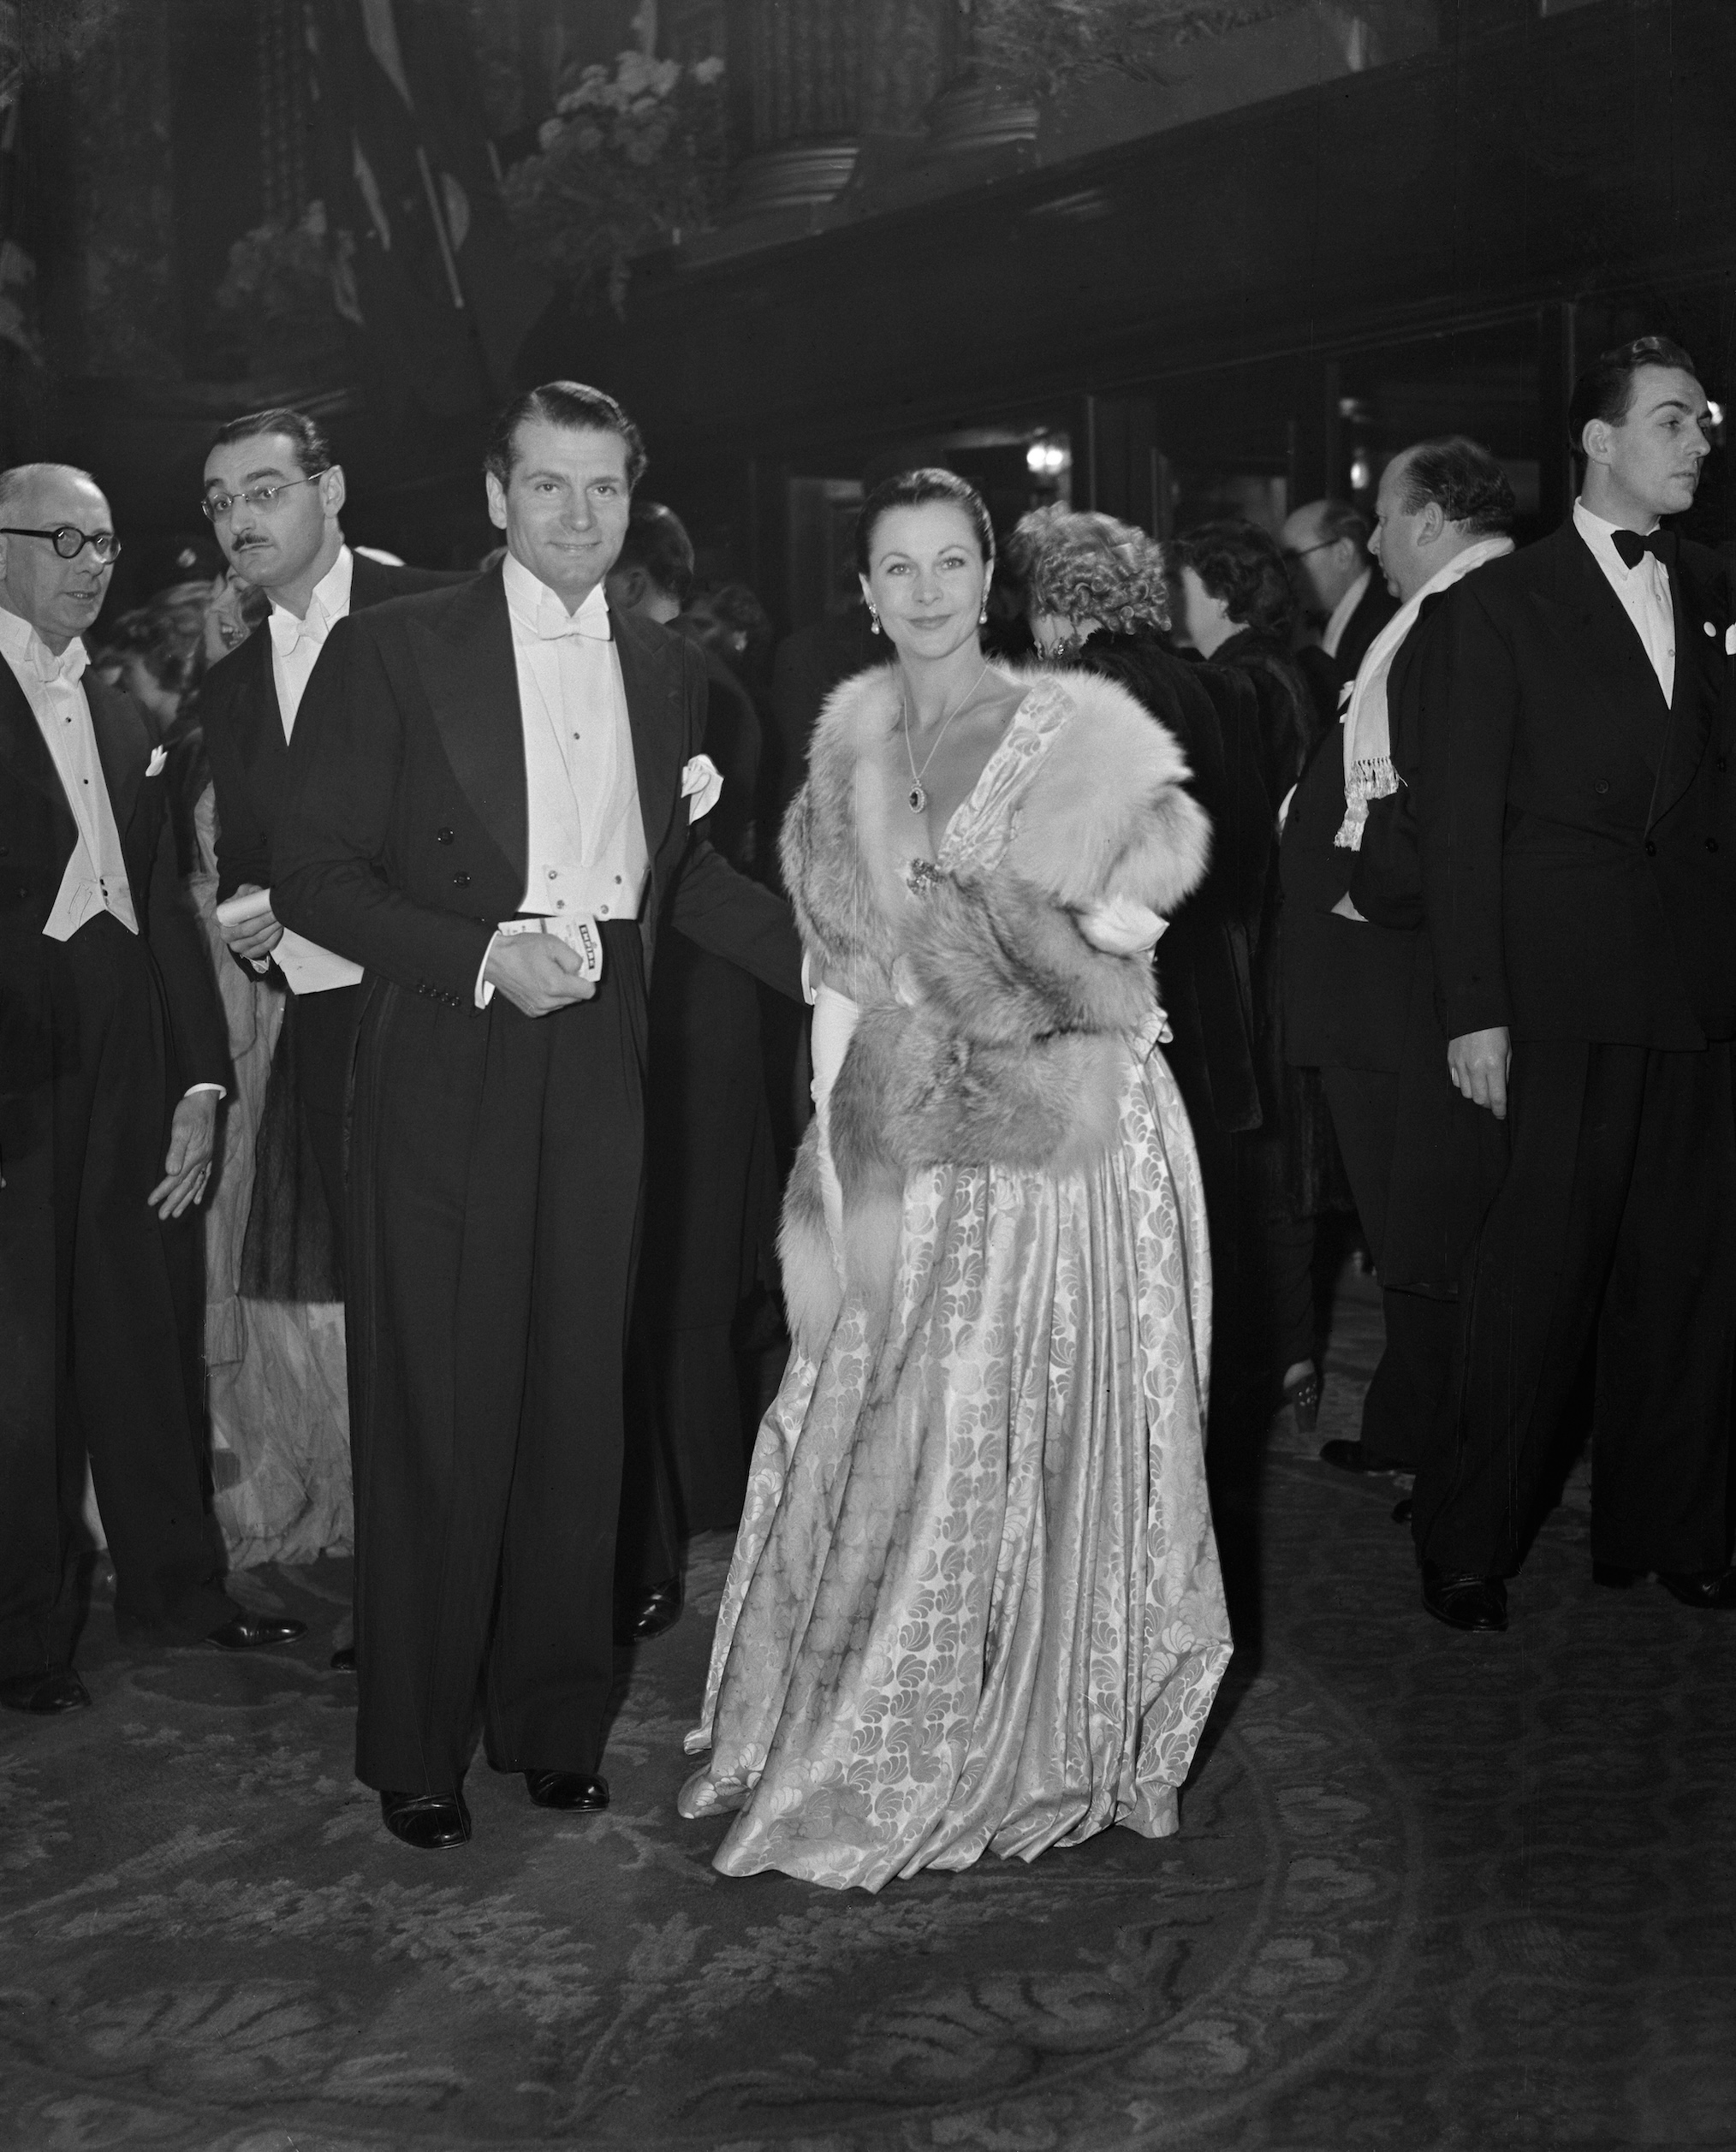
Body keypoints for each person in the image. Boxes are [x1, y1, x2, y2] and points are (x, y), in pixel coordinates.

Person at [679, 469, 1231, 1890]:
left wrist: (1068, 951)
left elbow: (1166, 849)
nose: (923, 590)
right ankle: (861, 1711)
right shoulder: (845, 748)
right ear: (861, 590)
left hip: (1053, 1136)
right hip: (897, 1117)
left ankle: (1031, 1721)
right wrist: (833, 1116)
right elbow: (835, 967)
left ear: (987, 577)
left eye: (948, 563)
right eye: (894, 567)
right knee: (877, 1405)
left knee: (1009, 1412)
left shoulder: (1064, 723)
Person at [272, 381, 805, 1851]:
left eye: (604, 489)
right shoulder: (392, 650)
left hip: (605, 1052)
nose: (579, 514)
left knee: (580, 1397)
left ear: (633, 502)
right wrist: (477, 952)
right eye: (549, 486)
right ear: (496, 498)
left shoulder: (667, 670)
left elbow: (678, 878)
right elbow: (311, 872)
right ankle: (418, 1744)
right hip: (448, 1042)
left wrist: (850, 964)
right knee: (444, 1401)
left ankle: (552, 1721)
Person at [1403, 336, 1736, 1631]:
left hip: (1700, 994)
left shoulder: (1713, 583)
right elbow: (1457, 824)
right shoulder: (1497, 605)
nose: (1698, 442)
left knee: (1694, 1274)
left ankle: (1678, 1524)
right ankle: (1469, 1537)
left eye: (1702, 422)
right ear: (1599, 443)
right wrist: (1473, 1006)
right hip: (1559, 992)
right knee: (1532, 1278)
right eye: (1671, 421)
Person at [0, 462, 305, 1716]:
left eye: (107, 541)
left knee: (140, 1326)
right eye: (62, 538)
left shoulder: (121, 709)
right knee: (20, 1367)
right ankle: (23, 1637)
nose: (90, 560)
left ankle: (177, 1584)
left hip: (131, 1041)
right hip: (16, 1055)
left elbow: (167, 904)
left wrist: (197, 1074)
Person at [1280, 439, 1517, 1497]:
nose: (1370, 540)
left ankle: (1443, 1452)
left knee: (1425, 1223)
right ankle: (1411, 1425)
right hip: (1377, 981)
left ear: (1429, 520)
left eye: (1381, 516)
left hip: (1403, 977)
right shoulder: (1431, 615)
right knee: (1405, 1220)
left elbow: (1440, 798)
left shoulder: (1465, 616)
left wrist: (1366, 887)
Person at [198, 407, 463, 1287]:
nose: (241, 520)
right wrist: (248, 920)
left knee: (489, 1292)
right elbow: (247, 855)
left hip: (465, 1010)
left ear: (332, 490)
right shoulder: (232, 683)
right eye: (221, 502)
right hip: (329, 1026)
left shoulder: (445, 612)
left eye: (265, 492)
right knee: (377, 1307)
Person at [605, 499, 781, 1630]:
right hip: (722, 984)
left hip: (687, 979)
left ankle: (682, 1488)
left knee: (675, 1235)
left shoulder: (678, 679)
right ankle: (707, 1476)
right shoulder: (721, 674)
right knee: (708, 1230)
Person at [1011, 501, 1272, 1217]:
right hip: (1211, 986)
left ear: (1057, 603)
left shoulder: (1075, 690)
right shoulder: (1208, 682)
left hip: (1123, 992)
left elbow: (1062, 869)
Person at [1170, 518, 1353, 1431]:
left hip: (1249, 942)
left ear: (1220, 589)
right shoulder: (1299, 668)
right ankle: (1291, 1356)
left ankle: (1268, 1356)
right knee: (1281, 1156)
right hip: (1295, 939)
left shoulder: (1230, 682)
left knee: (1251, 1154)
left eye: (1186, 579)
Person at [1279, 496, 1398, 720]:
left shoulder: (1384, 619)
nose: (1289, 575)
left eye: (1295, 558)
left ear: (1343, 552)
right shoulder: (1311, 622)